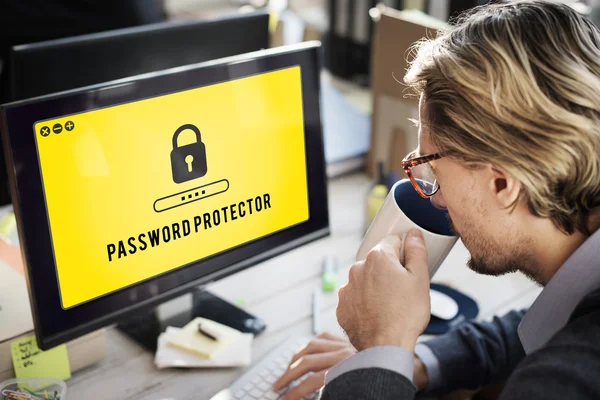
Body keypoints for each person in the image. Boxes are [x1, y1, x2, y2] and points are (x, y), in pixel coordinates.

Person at [272, 0, 600, 399]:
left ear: (503, 185)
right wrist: (409, 361)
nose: (437, 200)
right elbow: (540, 326)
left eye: (432, 170)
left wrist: (380, 349)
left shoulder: (566, 383)